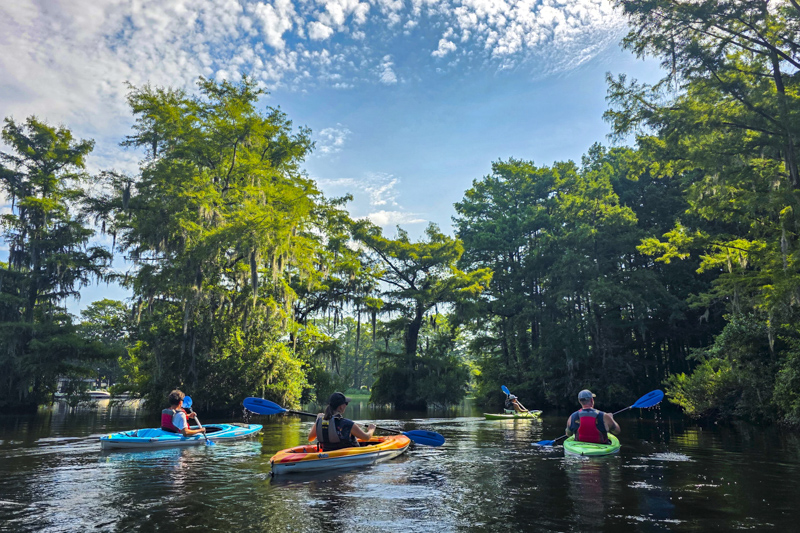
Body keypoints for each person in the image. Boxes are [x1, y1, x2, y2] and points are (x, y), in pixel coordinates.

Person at [307, 392, 376, 451]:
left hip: (329, 453)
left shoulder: (320, 421)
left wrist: (318, 420)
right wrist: (371, 429)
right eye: (346, 403)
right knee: (369, 446)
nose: (346, 405)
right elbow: (366, 437)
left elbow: (310, 438)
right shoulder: (348, 424)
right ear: (341, 407)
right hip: (348, 455)